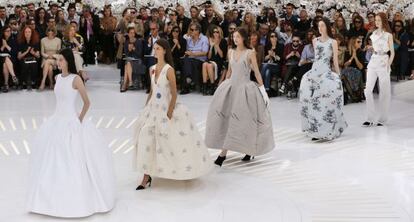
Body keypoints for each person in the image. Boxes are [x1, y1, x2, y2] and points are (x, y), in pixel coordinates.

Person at [26, 48, 115, 217]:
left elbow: (87, 102)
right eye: (57, 60)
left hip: (71, 121)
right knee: (53, 159)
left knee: (74, 158)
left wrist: (79, 120)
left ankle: (75, 197)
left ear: (67, 61)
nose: (57, 63)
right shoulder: (58, 78)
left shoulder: (76, 79)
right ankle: (48, 198)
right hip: (56, 121)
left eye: (60, 60)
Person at [133, 39, 212, 190]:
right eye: (154, 48)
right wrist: (145, 107)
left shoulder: (168, 70)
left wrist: (169, 113)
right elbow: (152, 90)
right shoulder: (153, 68)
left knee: (170, 142)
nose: (154, 51)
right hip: (152, 109)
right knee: (145, 138)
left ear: (164, 50)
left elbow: (174, 93)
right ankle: (145, 175)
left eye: (157, 48)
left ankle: (179, 168)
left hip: (165, 109)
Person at [205, 27, 274, 167]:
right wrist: (223, 87)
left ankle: (247, 150)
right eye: (233, 36)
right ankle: (223, 153)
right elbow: (229, 72)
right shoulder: (230, 52)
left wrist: (263, 90)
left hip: (245, 90)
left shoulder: (250, 53)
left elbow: (256, 72)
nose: (235, 39)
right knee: (227, 120)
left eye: (237, 36)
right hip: (231, 88)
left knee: (245, 121)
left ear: (243, 38)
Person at [299, 18, 347, 141]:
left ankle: (327, 128)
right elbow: (317, 58)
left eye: (322, 26)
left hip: (326, 72)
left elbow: (335, 61)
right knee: (310, 99)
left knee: (324, 102)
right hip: (314, 71)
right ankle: (314, 128)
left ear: (327, 27)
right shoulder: (315, 41)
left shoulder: (333, 42)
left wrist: (339, 76)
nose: (320, 28)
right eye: (318, 26)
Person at [363, 12, 394, 126]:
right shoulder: (373, 34)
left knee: (384, 91)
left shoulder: (388, 35)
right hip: (373, 60)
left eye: (379, 20)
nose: (377, 22)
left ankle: (382, 119)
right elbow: (374, 47)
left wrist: (388, 64)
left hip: (384, 61)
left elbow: (392, 52)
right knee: (367, 90)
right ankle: (370, 118)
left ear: (384, 21)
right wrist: (371, 47)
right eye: (376, 20)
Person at [202, 25, 227, 95]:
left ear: (220, 33)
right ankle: (205, 86)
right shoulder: (211, 40)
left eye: (217, 32)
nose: (215, 33)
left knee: (209, 65)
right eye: (214, 32)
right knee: (204, 64)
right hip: (211, 60)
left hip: (219, 61)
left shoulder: (223, 41)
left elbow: (222, 55)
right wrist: (211, 47)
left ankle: (212, 86)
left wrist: (216, 44)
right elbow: (209, 57)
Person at [341, 37, 365, 104]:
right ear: (353, 43)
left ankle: (354, 95)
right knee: (345, 73)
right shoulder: (347, 52)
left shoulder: (361, 52)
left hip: (358, 71)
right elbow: (345, 65)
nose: (360, 43)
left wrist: (355, 57)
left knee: (351, 73)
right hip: (348, 71)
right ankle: (351, 95)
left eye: (360, 42)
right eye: (358, 42)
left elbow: (361, 67)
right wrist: (352, 57)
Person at [121, 27, 144, 92]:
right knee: (127, 63)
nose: (132, 34)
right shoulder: (126, 42)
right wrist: (129, 50)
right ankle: (129, 82)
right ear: (128, 34)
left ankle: (125, 85)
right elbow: (126, 54)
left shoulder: (138, 42)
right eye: (131, 33)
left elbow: (140, 54)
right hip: (129, 60)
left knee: (126, 65)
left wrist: (134, 49)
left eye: (133, 33)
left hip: (137, 61)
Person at [17, 26, 40, 90]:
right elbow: (19, 57)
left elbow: (38, 56)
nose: (27, 33)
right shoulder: (20, 42)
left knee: (34, 64)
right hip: (24, 59)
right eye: (26, 32)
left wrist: (33, 53)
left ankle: (33, 82)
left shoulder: (36, 42)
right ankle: (24, 82)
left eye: (29, 32)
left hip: (33, 58)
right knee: (25, 65)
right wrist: (26, 51)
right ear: (23, 33)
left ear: (32, 33)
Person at [1, 25, 19, 92]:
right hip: (1, 58)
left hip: (11, 58)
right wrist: (3, 46)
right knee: (5, 58)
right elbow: (1, 50)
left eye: (10, 31)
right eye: (7, 31)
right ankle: (14, 76)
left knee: (5, 64)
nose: (9, 32)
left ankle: (6, 84)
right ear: (3, 32)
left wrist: (6, 45)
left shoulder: (13, 39)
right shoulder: (1, 39)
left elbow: (14, 52)